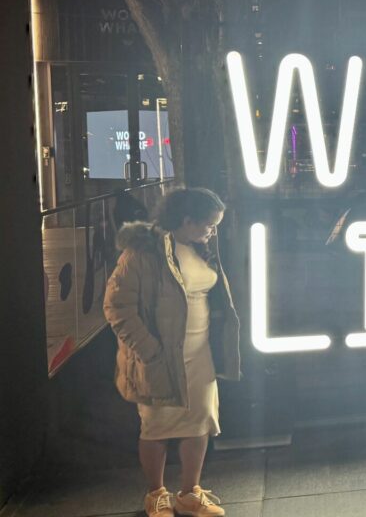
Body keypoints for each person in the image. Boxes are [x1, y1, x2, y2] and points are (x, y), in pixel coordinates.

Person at [104, 188, 240, 517]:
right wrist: (150, 351)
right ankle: (157, 494)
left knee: (199, 421)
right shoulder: (142, 253)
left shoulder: (201, 247)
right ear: (186, 220)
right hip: (159, 358)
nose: (212, 230)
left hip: (199, 354)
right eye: (208, 224)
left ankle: (189, 493)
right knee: (157, 426)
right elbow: (117, 307)